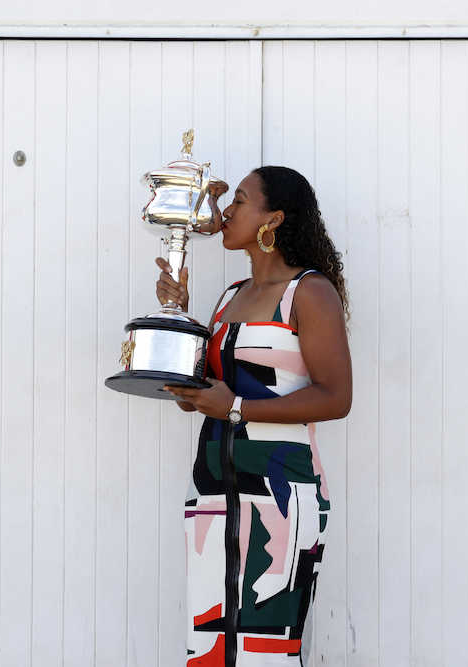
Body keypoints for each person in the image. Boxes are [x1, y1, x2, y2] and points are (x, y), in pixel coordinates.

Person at [158, 166, 352, 666]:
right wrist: (179, 320)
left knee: (266, 653)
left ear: (274, 219)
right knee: (209, 650)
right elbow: (204, 393)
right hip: (211, 495)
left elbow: (336, 398)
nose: (226, 212)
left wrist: (236, 408)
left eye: (240, 200)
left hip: (279, 496)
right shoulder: (230, 297)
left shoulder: (308, 292)